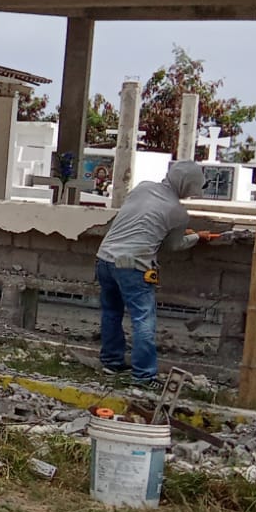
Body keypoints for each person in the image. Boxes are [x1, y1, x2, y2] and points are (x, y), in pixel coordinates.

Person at [95, 159, 212, 382]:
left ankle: (111, 362)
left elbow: (142, 219)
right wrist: (198, 237)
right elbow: (173, 245)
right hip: (133, 265)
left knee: (111, 312)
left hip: (104, 259)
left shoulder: (143, 187)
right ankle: (144, 375)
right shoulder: (178, 212)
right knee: (143, 320)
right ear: (188, 184)